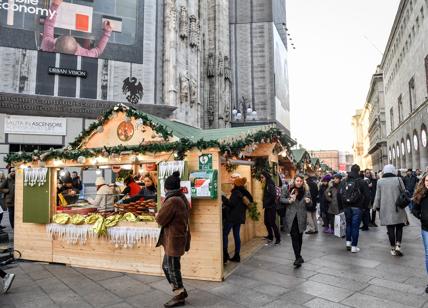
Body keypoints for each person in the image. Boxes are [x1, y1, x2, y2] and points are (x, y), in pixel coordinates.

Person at [156, 171, 191, 307]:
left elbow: (161, 219)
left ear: (167, 188)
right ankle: (180, 291)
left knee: (171, 267)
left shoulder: (172, 201)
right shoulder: (181, 197)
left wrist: (158, 214)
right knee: (169, 266)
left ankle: (179, 295)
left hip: (174, 239)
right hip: (177, 237)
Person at [41, 0, 112, 58]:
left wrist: (54, 5)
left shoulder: (47, 46)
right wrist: (107, 32)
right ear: (77, 50)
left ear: (54, 47)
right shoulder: (84, 54)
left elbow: (49, 25)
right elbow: (98, 51)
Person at [373, 165, 408, 256]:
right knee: (399, 227)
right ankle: (398, 246)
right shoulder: (398, 179)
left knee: (390, 229)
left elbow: (378, 196)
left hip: (386, 209)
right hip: (398, 208)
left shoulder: (380, 181)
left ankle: (392, 249)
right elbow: (404, 191)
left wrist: (375, 206)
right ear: (393, 171)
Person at [338, 164, 371, 253]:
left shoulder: (344, 181)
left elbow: (339, 194)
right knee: (355, 227)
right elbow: (368, 196)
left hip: (346, 207)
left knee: (348, 224)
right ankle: (354, 246)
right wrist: (364, 207)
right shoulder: (362, 182)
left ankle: (348, 243)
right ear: (358, 171)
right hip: (357, 207)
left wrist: (341, 207)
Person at [282, 174, 311, 268]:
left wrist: (309, 201)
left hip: (301, 216)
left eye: (300, 181)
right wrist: (289, 201)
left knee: (299, 237)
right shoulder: (288, 189)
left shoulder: (306, 191)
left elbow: (311, 203)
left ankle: (299, 256)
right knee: (294, 236)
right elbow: (281, 199)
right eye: (297, 180)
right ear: (294, 181)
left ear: (303, 182)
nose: (299, 182)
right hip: (291, 216)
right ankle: (297, 258)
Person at [222, 177, 253, 263]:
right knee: (236, 235)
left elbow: (231, 204)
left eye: (233, 183)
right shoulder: (243, 193)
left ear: (236, 184)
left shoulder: (236, 192)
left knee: (224, 233)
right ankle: (237, 255)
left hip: (232, 218)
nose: (232, 185)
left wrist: (223, 198)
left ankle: (225, 254)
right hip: (239, 218)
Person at [411, 172, 428, 293]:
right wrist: (422, 217)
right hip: (426, 228)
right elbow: (414, 209)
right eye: (427, 181)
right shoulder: (421, 194)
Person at [260, 171, 281, 245]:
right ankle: (270, 236)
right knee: (266, 222)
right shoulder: (266, 184)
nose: (261, 179)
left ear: (266, 177)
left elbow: (273, 195)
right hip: (268, 206)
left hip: (271, 207)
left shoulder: (269, 184)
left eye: (262, 177)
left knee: (272, 223)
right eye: (261, 177)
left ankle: (278, 238)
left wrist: (267, 202)